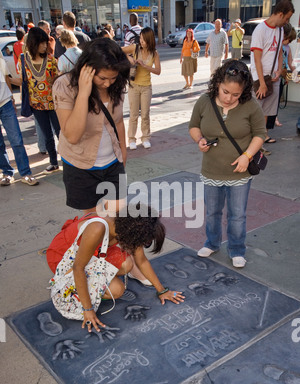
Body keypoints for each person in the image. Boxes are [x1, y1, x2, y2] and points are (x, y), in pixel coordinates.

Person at [49, 204, 185, 331]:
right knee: (117, 290)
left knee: (127, 264)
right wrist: (88, 309)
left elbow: (142, 261)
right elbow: (78, 268)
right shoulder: (98, 228)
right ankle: (87, 291)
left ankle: (97, 279)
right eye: (145, 243)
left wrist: (162, 291)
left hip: (96, 255)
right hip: (65, 257)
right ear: (133, 234)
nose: (144, 245)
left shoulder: (129, 225)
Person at [189, 59, 266, 268]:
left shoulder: (250, 104)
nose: (230, 98)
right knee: (212, 211)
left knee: (237, 215)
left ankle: (237, 249)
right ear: (217, 83)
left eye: (235, 95)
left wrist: (247, 156)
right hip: (212, 169)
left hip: (239, 172)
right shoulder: (205, 101)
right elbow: (194, 126)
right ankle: (212, 243)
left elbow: (260, 134)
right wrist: (200, 140)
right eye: (225, 92)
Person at [52, 38, 130, 214]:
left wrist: (123, 156)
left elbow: (118, 122)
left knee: (117, 219)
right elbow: (72, 135)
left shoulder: (115, 85)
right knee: (93, 224)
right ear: (87, 68)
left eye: (113, 78)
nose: (108, 83)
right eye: (102, 78)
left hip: (112, 162)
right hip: (80, 164)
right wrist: (83, 92)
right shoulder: (64, 85)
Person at [250, 0, 294, 150]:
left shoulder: (280, 30)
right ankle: (251, 146)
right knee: (256, 112)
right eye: (287, 18)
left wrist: (279, 70)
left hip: (273, 78)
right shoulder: (261, 30)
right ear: (280, 14)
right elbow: (257, 59)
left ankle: (260, 144)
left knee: (267, 112)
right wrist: (262, 82)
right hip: (260, 78)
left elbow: (279, 53)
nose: (287, 22)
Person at [20, 27, 60, 173]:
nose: (45, 46)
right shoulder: (24, 59)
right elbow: (23, 81)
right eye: (41, 43)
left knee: (60, 132)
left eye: (45, 42)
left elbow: (58, 80)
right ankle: (54, 162)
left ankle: (68, 161)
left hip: (54, 103)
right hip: (36, 104)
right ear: (33, 43)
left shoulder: (51, 60)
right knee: (46, 134)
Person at [0, 57, 38, 186]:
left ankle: (25, 173)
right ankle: (7, 172)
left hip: (5, 102)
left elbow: (5, 77)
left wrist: (11, 96)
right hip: (5, 102)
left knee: (16, 139)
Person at [122, 27, 161, 150]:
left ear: (149, 40)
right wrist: (129, 58)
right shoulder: (135, 48)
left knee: (145, 114)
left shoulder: (154, 53)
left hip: (146, 87)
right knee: (133, 114)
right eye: (140, 39)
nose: (141, 41)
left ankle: (145, 137)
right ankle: (132, 139)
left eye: (144, 40)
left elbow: (158, 71)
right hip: (134, 85)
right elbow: (119, 51)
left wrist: (145, 66)